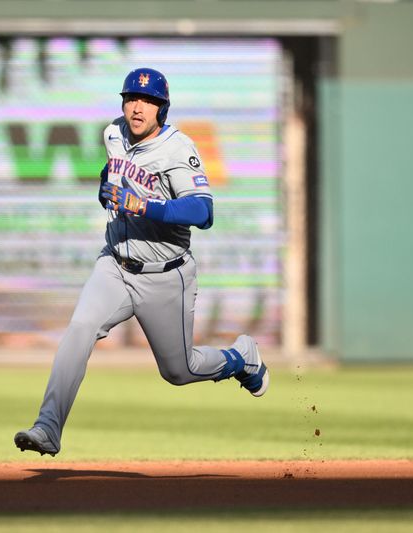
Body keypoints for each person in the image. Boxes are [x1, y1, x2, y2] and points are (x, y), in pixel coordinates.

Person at [14, 67, 269, 456]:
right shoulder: (113, 133)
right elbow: (110, 176)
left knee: (179, 371)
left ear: (161, 109)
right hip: (114, 265)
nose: (137, 107)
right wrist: (106, 189)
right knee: (80, 328)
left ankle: (240, 358)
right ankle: (48, 427)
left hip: (165, 276)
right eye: (132, 98)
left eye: (148, 101)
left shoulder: (178, 148)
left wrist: (146, 206)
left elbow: (203, 212)